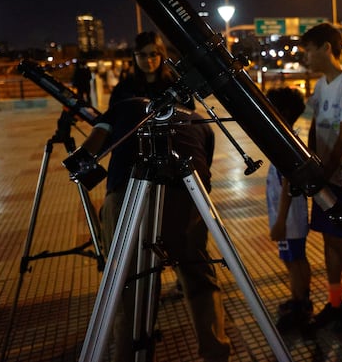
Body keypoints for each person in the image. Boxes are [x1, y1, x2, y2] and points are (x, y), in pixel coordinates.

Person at [71, 97, 232, 362]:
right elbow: (205, 166)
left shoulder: (124, 106)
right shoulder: (198, 119)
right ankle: (216, 351)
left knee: (130, 283)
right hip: (190, 195)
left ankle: (128, 354)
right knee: (198, 273)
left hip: (129, 193)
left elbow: (90, 149)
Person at [299, 23, 342, 332]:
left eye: (309, 51)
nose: (306, 58)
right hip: (323, 177)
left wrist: (324, 173)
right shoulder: (320, 86)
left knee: (341, 242)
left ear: (326, 48)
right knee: (328, 241)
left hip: (341, 181)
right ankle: (335, 302)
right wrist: (312, 164)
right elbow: (313, 125)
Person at [264, 87, 313, 333]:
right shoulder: (290, 138)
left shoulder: (285, 143)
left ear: (281, 112)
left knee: (293, 261)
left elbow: (286, 186)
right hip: (296, 215)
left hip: (289, 217)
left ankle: (299, 306)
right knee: (298, 258)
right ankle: (303, 300)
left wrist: (280, 221)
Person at [110, 31, 194, 110]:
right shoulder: (124, 88)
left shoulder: (176, 84)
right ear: (135, 57)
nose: (148, 60)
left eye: (153, 54)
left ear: (161, 55)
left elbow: (190, 114)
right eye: (142, 55)